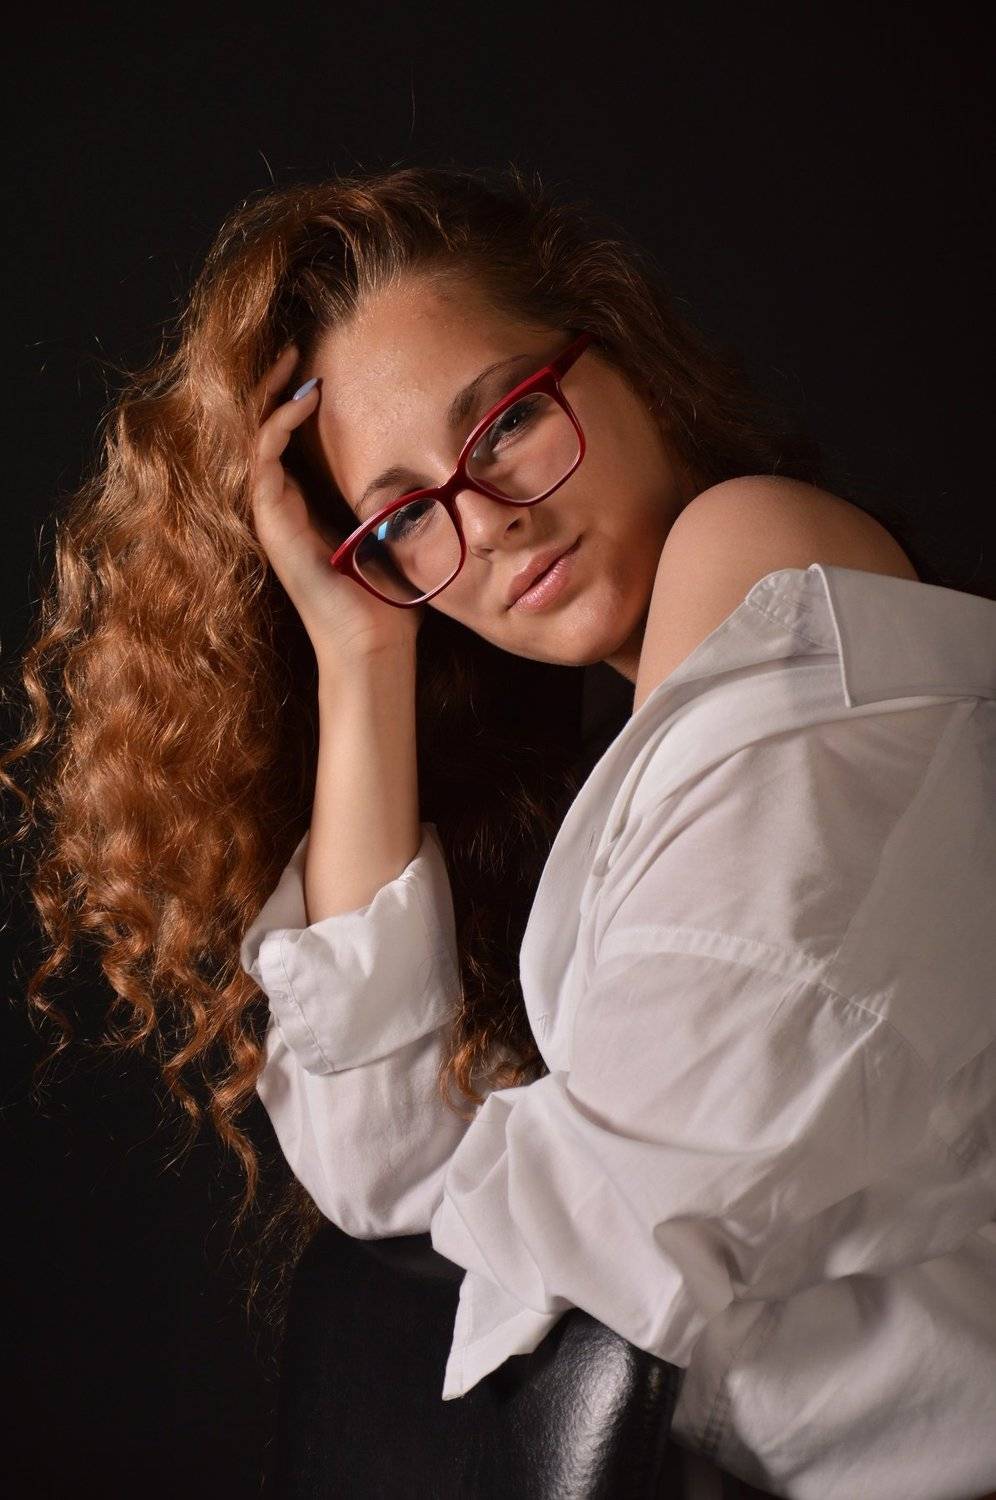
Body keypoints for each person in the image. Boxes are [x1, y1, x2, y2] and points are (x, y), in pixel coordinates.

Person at [7, 164, 995, 1500]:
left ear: (620, 347)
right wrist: (361, 651)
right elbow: (377, 1166)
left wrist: (509, 1193)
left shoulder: (761, 548)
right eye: (406, 516)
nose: (489, 524)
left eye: (509, 420)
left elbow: (618, 1214)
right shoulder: (630, 742)